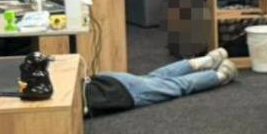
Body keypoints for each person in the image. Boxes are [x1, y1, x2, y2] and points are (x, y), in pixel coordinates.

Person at [83, 48, 238, 114]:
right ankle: (206, 61)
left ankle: (221, 76)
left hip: (119, 93)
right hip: (105, 79)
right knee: (153, 78)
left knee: (175, 86)